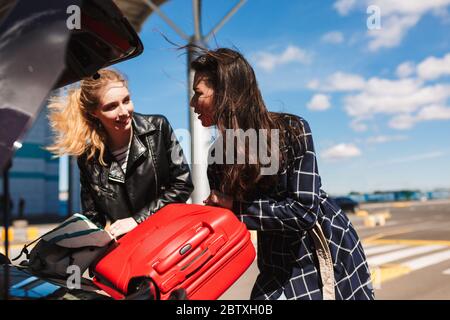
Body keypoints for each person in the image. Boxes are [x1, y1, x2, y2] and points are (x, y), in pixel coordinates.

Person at [190, 48, 374, 300]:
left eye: (197, 94)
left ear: (225, 92)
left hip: (323, 250)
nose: (192, 104)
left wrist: (236, 206)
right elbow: (231, 225)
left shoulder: (292, 130)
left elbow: (305, 211)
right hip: (275, 259)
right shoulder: (217, 158)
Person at [48, 69, 194, 238]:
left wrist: (137, 220)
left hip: (166, 239)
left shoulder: (159, 127)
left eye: (126, 100)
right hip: (125, 247)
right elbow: (93, 217)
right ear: (94, 113)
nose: (124, 112)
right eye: (111, 106)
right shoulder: (88, 159)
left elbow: (183, 185)